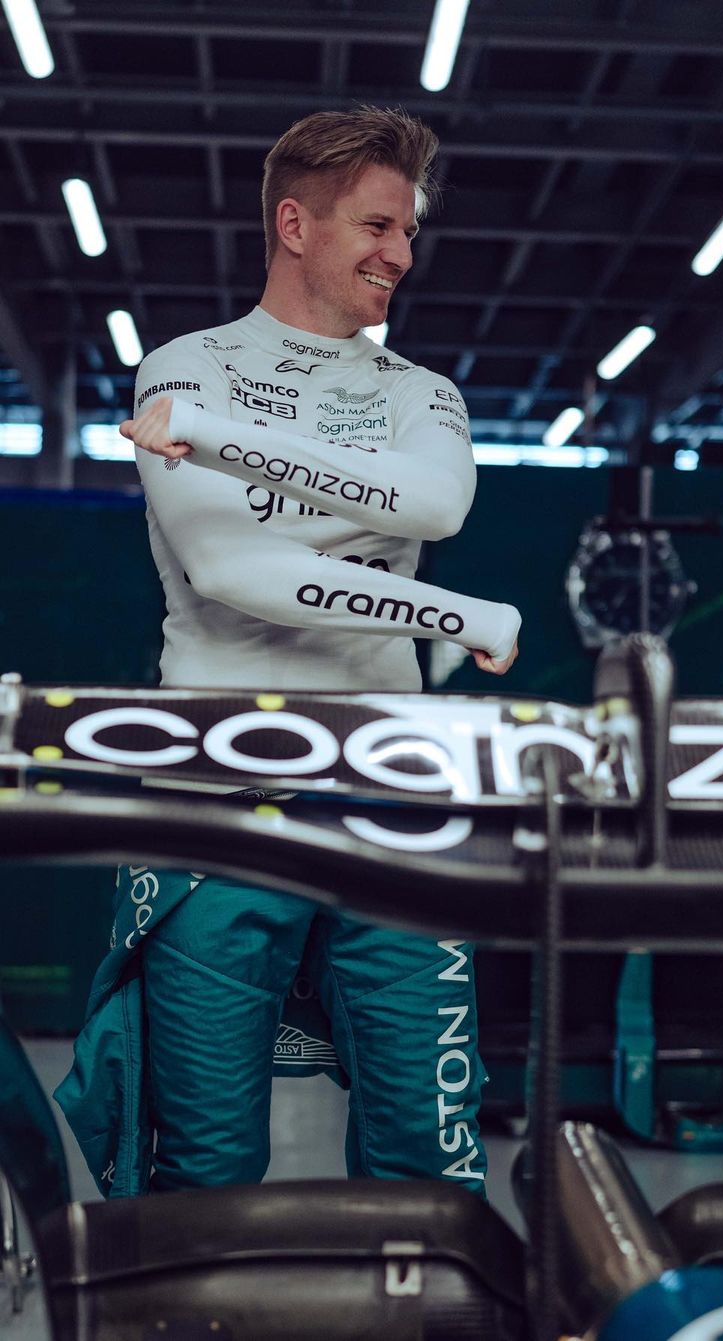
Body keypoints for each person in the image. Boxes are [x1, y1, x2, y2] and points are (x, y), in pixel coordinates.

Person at [70, 106, 520, 1198]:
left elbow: (435, 506)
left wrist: (225, 446)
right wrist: (455, 614)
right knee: (204, 1162)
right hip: (217, 792)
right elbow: (231, 569)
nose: (400, 254)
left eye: (409, 231)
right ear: (295, 224)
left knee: (430, 1156)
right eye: (377, 226)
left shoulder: (423, 393)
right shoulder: (188, 367)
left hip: (390, 790)